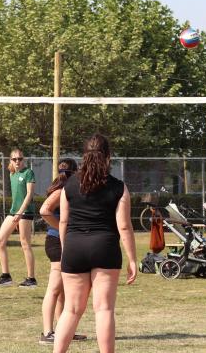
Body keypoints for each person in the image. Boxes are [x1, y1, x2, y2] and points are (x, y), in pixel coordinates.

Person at [52, 134, 137, 353]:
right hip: (104, 247)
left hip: (74, 247)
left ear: (84, 156)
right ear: (108, 156)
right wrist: (132, 259)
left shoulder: (69, 185)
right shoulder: (118, 187)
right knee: (104, 309)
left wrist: (66, 249)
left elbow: (63, 221)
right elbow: (124, 226)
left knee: (71, 310)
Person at [38, 158, 87, 344]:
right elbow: (44, 211)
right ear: (74, 172)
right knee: (53, 289)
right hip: (56, 243)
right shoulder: (61, 190)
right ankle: (47, 333)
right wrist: (60, 227)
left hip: (62, 241)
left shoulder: (67, 189)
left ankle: (63, 330)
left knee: (63, 290)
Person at [0, 149, 37, 288]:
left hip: (25, 212)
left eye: (20, 158)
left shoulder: (28, 173)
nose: (17, 161)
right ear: (10, 160)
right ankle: (6, 276)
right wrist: (16, 213)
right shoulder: (12, 174)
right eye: (14, 159)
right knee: (0, 240)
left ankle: (31, 279)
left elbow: (29, 194)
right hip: (13, 212)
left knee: (25, 243)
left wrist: (20, 213)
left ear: (23, 159)